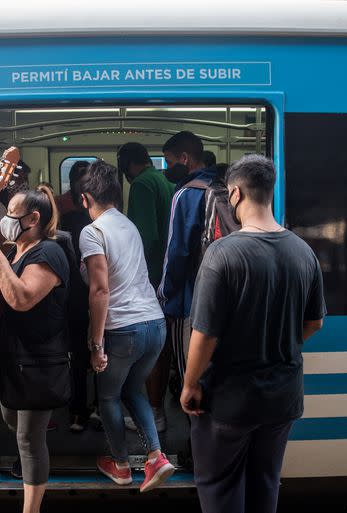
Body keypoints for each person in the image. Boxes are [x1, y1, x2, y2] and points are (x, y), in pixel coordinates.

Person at [180, 155, 326, 513]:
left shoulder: (223, 254)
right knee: (265, 485)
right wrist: (276, 345)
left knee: (221, 490)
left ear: (234, 195)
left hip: (232, 400)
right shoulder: (303, 252)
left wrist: (190, 384)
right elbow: (314, 322)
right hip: (283, 400)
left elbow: (205, 333)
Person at [78, 161, 175, 492]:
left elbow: (100, 290)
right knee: (134, 390)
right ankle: (156, 457)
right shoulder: (129, 225)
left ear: (85, 199)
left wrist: (96, 345)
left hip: (123, 330)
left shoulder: (93, 232)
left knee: (107, 396)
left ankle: (120, 464)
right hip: (154, 325)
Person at [0, 185, 70, 513]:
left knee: (29, 440)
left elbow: (22, 298)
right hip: (15, 361)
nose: (5, 221)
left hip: (38, 364)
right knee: (17, 426)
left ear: (33, 218)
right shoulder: (18, 251)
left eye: (11, 215)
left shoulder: (48, 254)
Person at [117, 142, 174, 432]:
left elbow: (144, 237)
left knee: (152, 348)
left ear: (126, 165)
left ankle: (153, 412)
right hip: (169, 275)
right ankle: (158, 408)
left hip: (150, 277)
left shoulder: (140, 185)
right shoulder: (164, 179)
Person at [158, 131, 216, 386]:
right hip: (221, 293)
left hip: (190, 301)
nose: (167, 169)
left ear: (184, 158)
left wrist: (164, 294)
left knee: (190, 378)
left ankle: (195, 423)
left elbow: (176, 252)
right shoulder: (222, 186)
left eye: (169, 162)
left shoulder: (185, 194)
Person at [59, 160, 96, 432]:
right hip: (76, 290)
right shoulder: (69, 214)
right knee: (80, 353)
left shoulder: (95, 216)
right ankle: (80, 409)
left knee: (93, 351)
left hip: (90, 289)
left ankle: (90, 408)